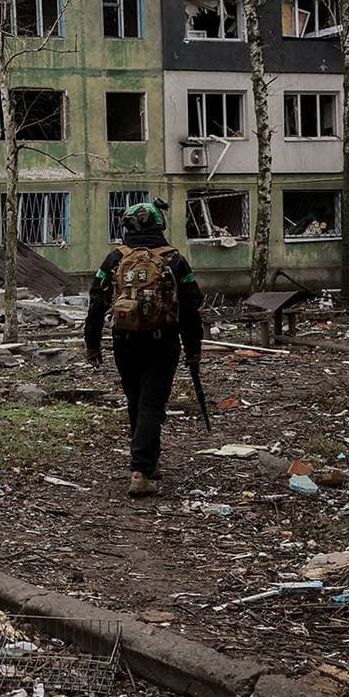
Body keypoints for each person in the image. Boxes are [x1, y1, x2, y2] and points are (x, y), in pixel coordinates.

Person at [83, 199, 205, 497]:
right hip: (163, 342)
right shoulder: (174, 260)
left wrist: (93, 344)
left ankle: (145, 463)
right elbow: (192, 306)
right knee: (152, 403)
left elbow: (96, 302)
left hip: (124, 343)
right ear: (158, 224)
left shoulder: (114, 259)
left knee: (136, 400)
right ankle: (141, 469)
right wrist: (193, 348)